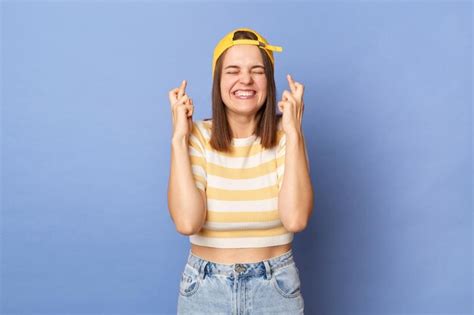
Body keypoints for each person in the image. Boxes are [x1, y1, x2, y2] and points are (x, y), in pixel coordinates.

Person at [168, 27, 313, 314]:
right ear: (218, 81)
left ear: (268, 82)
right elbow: (187, 223)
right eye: (232, 70)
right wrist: (178, 139)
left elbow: (295, 219)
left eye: (257, 71)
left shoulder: (287, 138)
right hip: (205, 291)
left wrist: (295, 133)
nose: (245, 79)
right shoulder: (196, 137)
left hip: (275, 290)